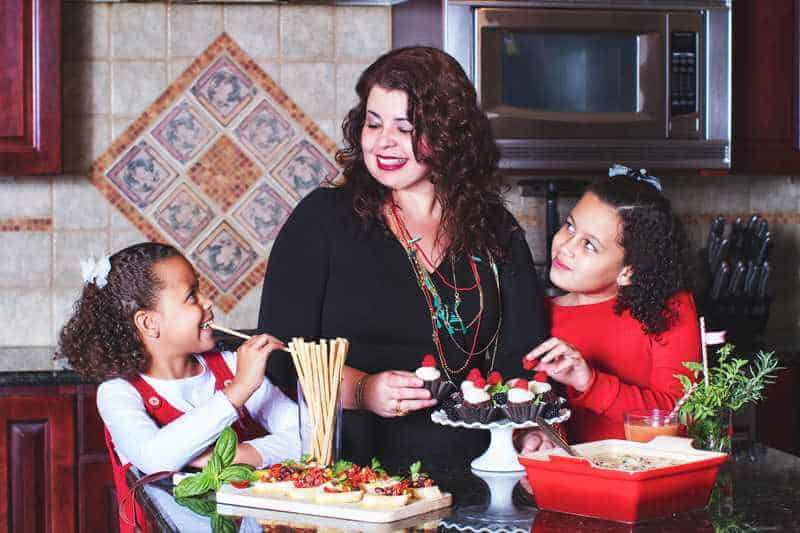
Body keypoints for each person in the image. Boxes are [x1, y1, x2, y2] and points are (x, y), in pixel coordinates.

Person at [258, 46, 546, 471]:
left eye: (406, 127)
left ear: (450, 134)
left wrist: (532, 429)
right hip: (355, 469)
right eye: (373, 123)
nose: (384, 142)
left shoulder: (495, 227)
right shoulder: (323, 219)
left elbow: (523, 352)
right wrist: (363, 391)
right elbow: (279, 356)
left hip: (483, 466)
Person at [58, 243, 302, 533]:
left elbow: (308, 436)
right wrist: (238, 391)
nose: (207, 302)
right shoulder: (118, 393)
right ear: (149, 323)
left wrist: (233, 456)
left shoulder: (232, 365)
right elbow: (156, 459)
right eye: (191, 296)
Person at [520, 169, 701, 452]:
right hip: (563, 481)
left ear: (628, 271)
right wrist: (531, 437)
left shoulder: (668, 309)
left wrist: (589, 382)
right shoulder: (536, 311)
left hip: (644, 480)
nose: (566, 247)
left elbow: (682, 414)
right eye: (569, 226)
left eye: (589, 245)